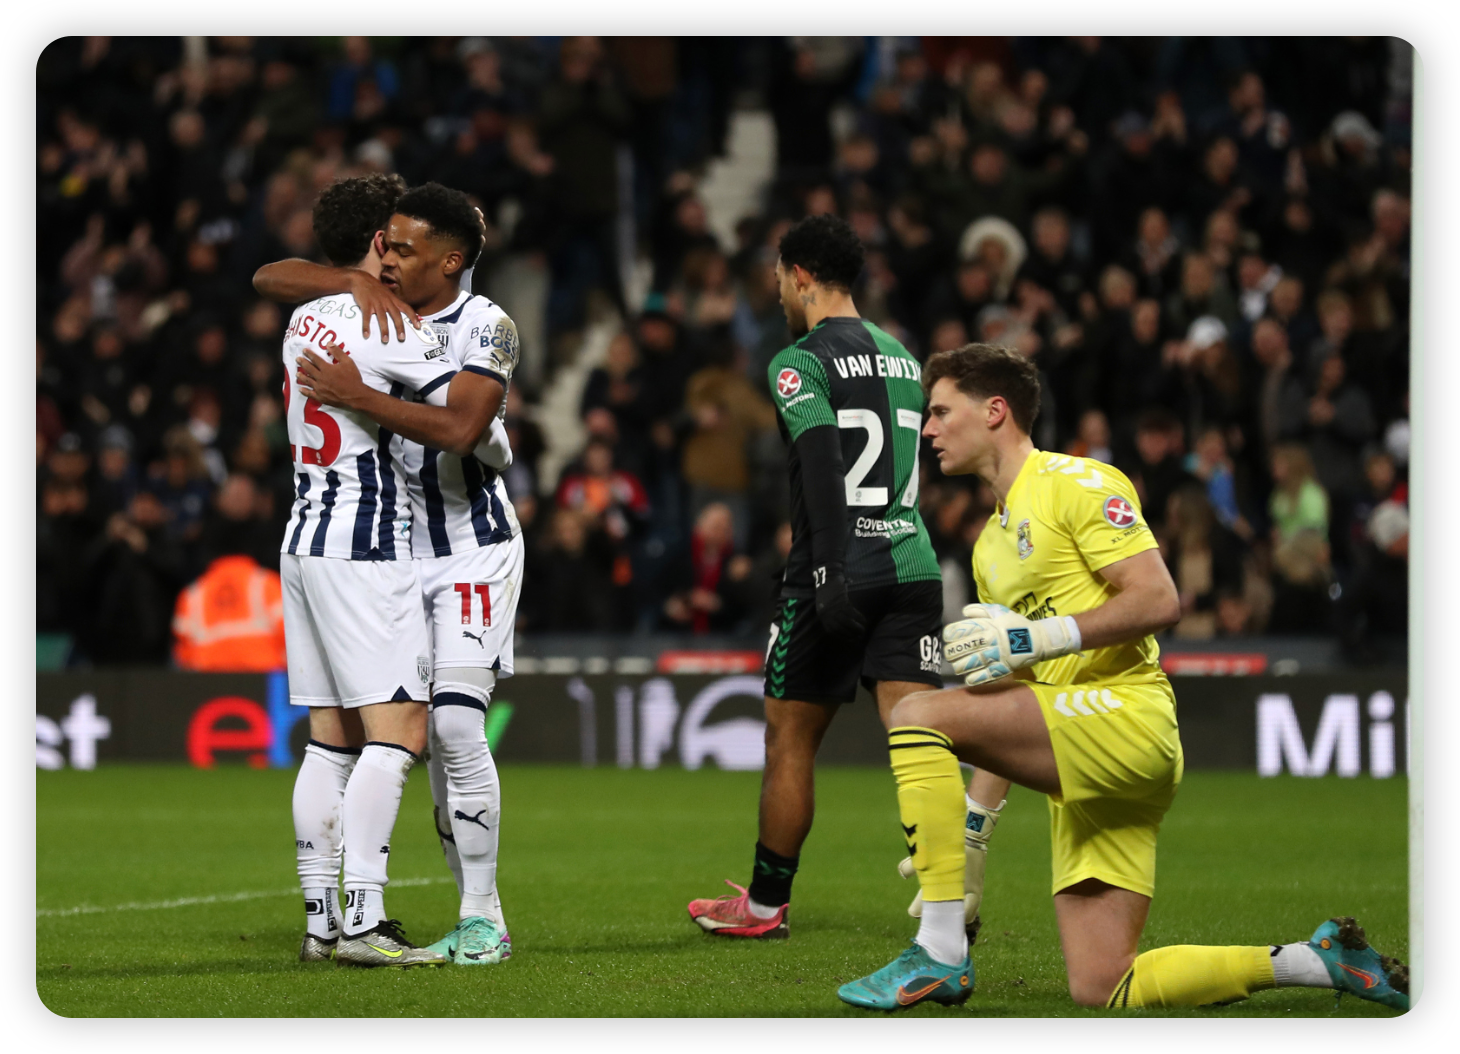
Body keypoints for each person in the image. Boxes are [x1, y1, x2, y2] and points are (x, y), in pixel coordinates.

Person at [837, 342, 1408, 1012]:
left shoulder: (1078, 483)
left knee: (914, 716)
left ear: (995, 411)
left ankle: (937, 952)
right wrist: (973, 836)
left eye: (938, 411)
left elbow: (1158, 598)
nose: (926, 429)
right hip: (1082, 761)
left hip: (1127, 720)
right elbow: (1013, 688)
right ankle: (1319, 962)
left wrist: (1036, 634)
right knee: (1103, 984)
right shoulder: (991, 545)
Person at [261, 182, 521, 968]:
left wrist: (358, 390)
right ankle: (357, 918)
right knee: (391, 734)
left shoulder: (486, 324)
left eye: (410, 248)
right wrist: (351, 284)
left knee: (443, 727)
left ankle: (476, 914)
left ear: (448, 259)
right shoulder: (378, 316)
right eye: (391, 245)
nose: (396, 259)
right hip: (383, 548)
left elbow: (471, 434)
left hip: (468, 544)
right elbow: (485, 437)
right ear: (374, 245)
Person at [686, 214, 944, 938]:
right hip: (913, 566)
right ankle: (953, 900)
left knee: (790, 740)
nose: (774, 293)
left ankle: (764, 908)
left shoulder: (798, 361)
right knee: (921, 739)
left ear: (801, 276)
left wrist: (828, 573)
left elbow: (826, 468)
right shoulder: (903, 357)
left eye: (776, 278)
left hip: (837, 568)